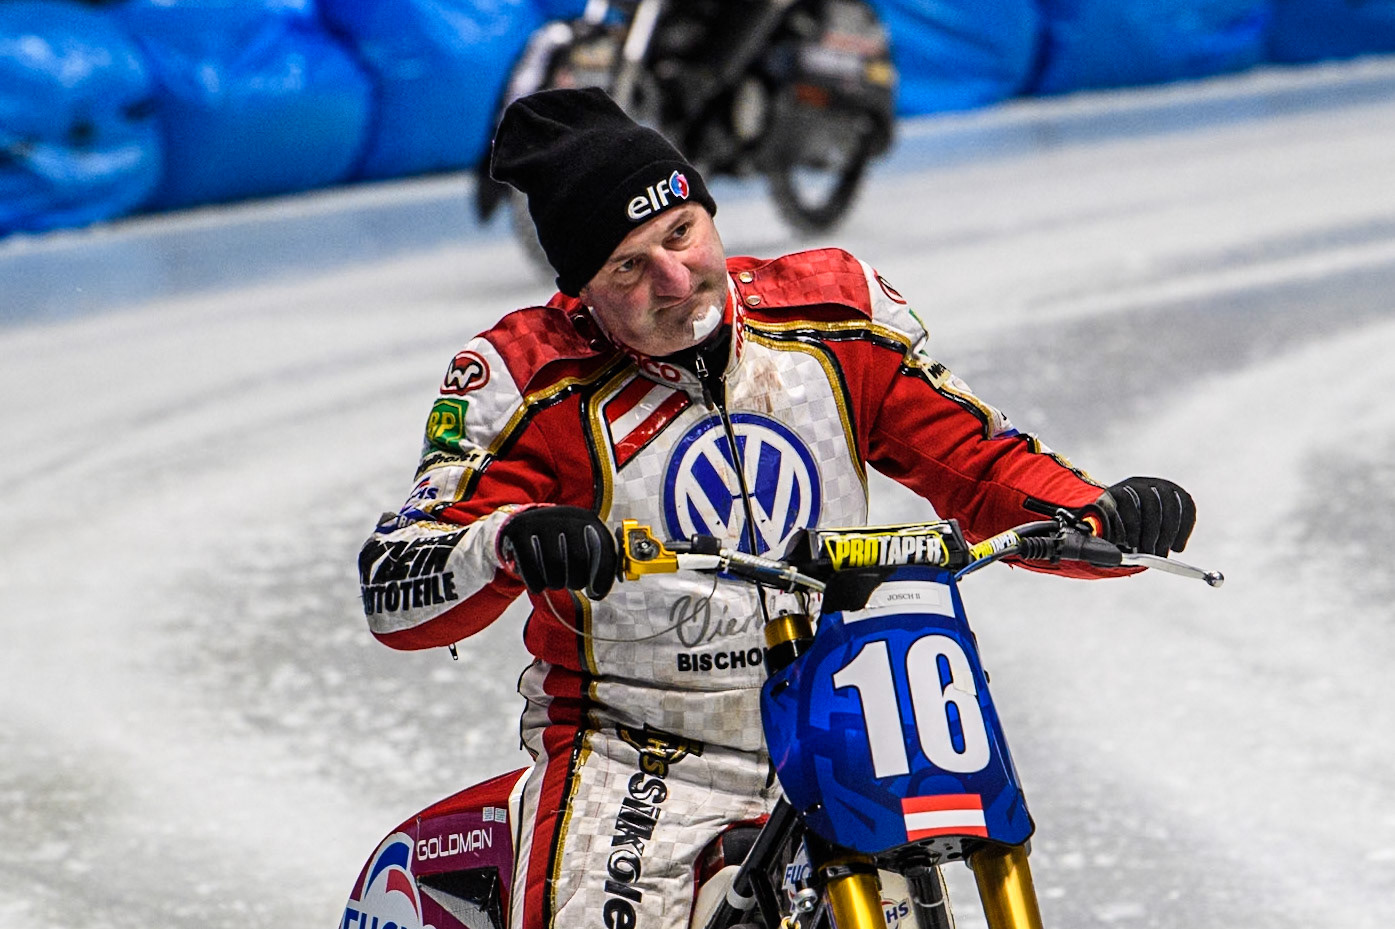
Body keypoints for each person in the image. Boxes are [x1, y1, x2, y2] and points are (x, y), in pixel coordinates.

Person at [357, 87, 1195, 929]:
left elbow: (975, 459)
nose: (676, 280)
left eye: (680, 235)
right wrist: (508, 541)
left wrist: (1098, 510)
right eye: (627, 267)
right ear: (580, 288)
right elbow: (398, 579)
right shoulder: (524, 376)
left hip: (845, 724)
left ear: (707, 213)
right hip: (638, 747)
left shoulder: (834, 316)